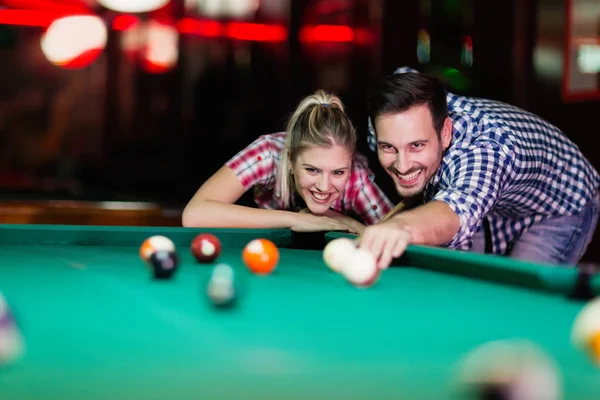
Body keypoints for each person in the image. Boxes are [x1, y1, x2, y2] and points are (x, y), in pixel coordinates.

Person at [359, 67, 600, 269]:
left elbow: (455, 210)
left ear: (445, 133)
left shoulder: (486, 150)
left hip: (560, 203)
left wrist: (401, 226)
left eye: (417, 145)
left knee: (516, 299)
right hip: (498, 203)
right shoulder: (388, 116)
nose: (402, 165)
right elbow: (404, 73)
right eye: (389, 148)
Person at [182, 90, 393, 234]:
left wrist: (347, 222)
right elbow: (194, 215)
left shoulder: (357, 176)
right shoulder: (267, 153)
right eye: (312, 170)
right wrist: (296, 220)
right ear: (290, 159)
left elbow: (396, 234)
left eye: (338, 173)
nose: (324, 186)